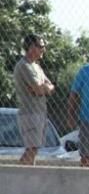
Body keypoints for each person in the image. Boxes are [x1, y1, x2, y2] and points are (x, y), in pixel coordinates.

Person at [12, 34, 55, 165]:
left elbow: (50, 87)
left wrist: (44, 88)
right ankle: (18, 177)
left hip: (40, 112)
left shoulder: (36, 66)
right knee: (32, 149)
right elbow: (39, 89)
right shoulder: (24, 65)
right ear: (31, 47)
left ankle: (25, 177)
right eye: (41, 46)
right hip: (30, 113)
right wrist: (42, 88)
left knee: (34, 149)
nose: (44, 49)